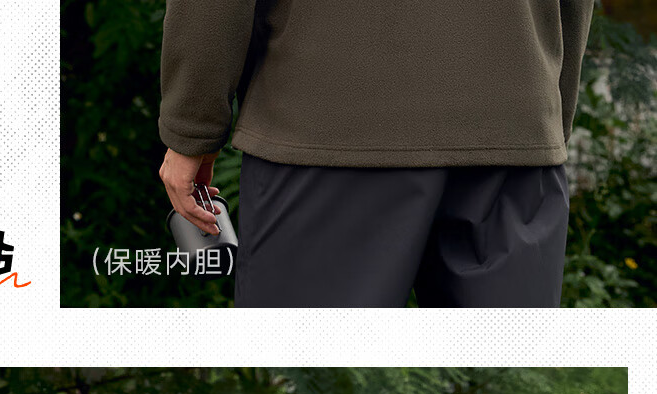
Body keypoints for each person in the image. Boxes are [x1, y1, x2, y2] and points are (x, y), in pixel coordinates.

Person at [157, 1, 596, 308]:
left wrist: (192, 127)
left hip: (326, 133)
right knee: (506, 371)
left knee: (311, 366)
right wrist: (547, 118)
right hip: (516, 129)